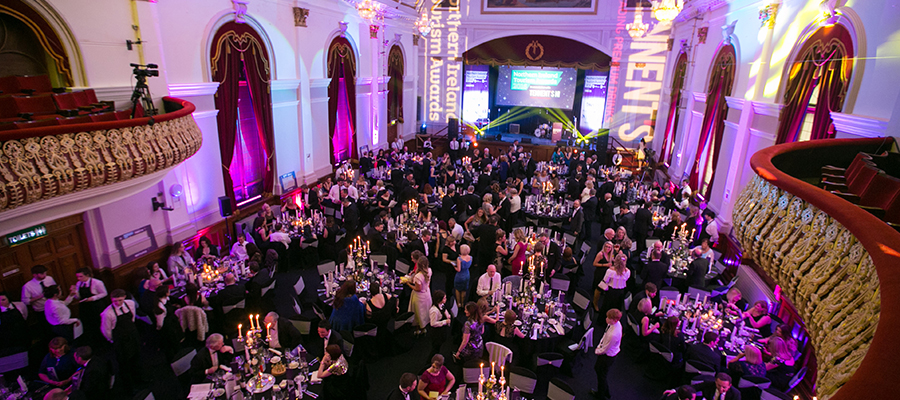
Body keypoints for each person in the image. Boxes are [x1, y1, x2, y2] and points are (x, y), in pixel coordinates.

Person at [100, 289, 141, 390]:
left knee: (137, 357)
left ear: (124, 298)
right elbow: (106, 330)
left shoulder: (130, 304)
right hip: (121, 341)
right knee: (124, 364)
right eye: (115, 301)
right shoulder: (107, 313)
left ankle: (139, 378)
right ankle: (130, 386)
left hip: (133, 335)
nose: (118, 303)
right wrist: (114, 341)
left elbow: (132, 318)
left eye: (120, 300)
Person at [71, 267, 107, 344]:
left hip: (95, 306)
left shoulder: (97, 282)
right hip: (85, 307)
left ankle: (102, 341)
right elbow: (79, 297)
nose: (78, 278)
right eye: (77, 276)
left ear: (87, 275)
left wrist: (93, 298)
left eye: (81, 276)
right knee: (88, 324)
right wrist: (74, 293)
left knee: (98, 323)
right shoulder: (79, 283)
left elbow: (104, 293)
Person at [593, 309, 623, 400]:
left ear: (615, 320)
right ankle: (606, 393)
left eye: (609, 318)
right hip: (608, 353)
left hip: (607, 356)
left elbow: (605, 349)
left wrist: (597, 351)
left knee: (601, 374)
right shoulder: (615, 324)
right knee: (601, 373)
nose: (606, 319)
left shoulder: (613, 334)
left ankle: (601, 395)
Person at [597, 254, 630, 324]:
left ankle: (603, 322)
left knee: (607, 306)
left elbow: (605, 281)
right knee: (617, 308)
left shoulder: (610, 271)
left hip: (611, 292)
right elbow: (626, 279)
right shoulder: (627, 272)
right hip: (621, 292)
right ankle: (615, 321)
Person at [406, 257, 433, 334]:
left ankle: (419, 328)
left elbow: (418, 289)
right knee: (425, 312)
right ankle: (424, 327)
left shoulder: (419, 276)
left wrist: (408, 283)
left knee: (418, 312)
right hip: (427, 293)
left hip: (419, 297)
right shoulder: (429, 270)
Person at [592, 241, 615, 312]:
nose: (607, 248)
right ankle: (595, 303)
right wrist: (604, 265)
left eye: (609, 247)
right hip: (600, 272)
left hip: (606, 274)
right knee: (598, 289)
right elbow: (594, 264)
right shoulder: (600, 254)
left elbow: (613, 261)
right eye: (606, 246)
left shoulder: (611, 255)